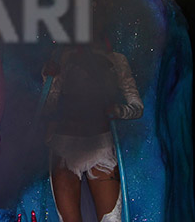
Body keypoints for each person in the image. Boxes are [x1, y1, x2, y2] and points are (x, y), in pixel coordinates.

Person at [42, 37, 143, 222]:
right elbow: (48, 107)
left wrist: (118, 110)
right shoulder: (62, 58)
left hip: (101, 148)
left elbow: (137, 107)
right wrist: (50, 79)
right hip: (65, 149)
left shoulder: (116, 60)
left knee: (112, 219)